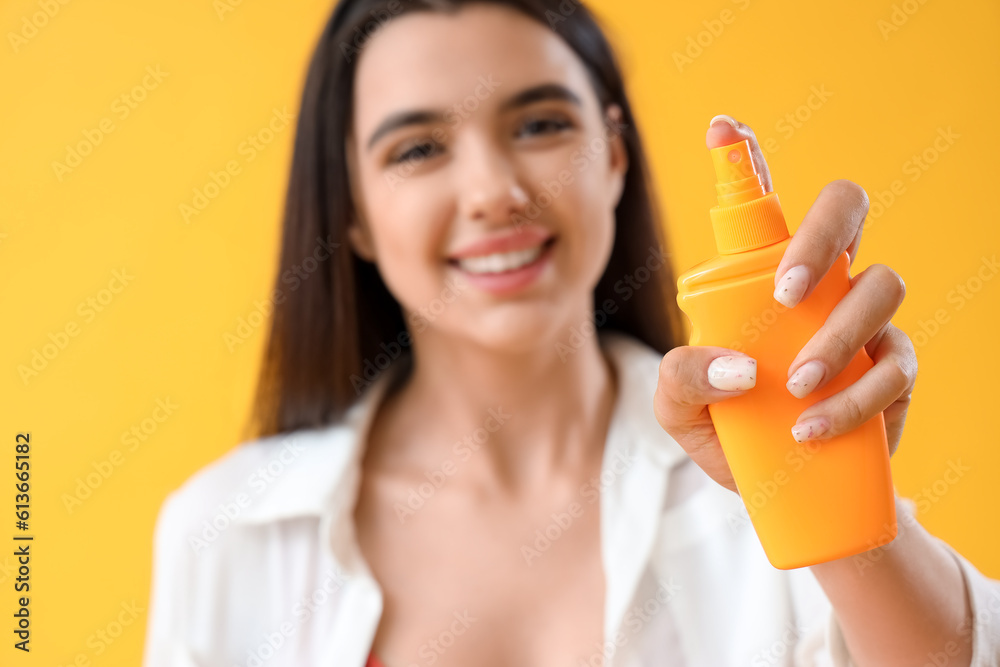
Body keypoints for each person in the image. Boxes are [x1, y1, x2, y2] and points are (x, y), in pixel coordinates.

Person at [141, 1, 1000, 665]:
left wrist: (834, 503)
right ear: (353, 211)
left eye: (541, 124)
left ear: (615, 152)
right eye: (416, 150)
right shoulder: (225, 534)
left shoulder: (745, 480)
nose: (493, 191)